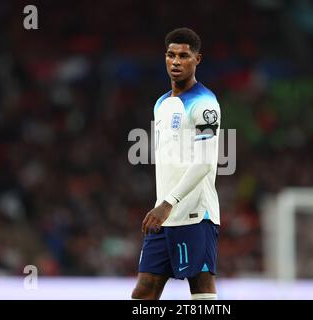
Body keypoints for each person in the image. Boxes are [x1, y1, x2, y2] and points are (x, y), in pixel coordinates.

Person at [131, 27, 221, 300]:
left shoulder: (205, 103)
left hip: (195, 213)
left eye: (184, 55)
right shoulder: (161, 104)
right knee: (144, 292)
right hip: (165, 217)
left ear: (197, 59)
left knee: (201, 289)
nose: (176, 62)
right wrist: (164, 206)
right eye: (171, 55)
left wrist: (167, 203)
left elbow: (204, 163)